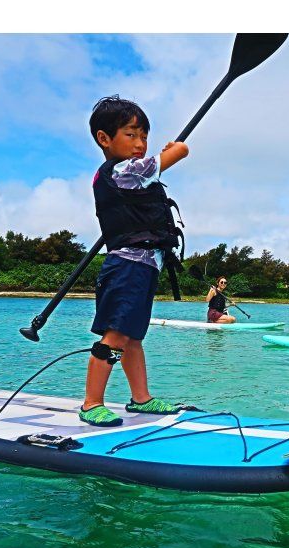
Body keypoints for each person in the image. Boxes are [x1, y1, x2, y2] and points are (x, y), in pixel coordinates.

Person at [80, 95, 189, 426]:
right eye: (131, 134)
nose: (140, 143)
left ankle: (141, 399)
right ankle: (91, 402)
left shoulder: (128, 173)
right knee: (116, 337)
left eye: (144, 136)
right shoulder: (122, 171)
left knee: (133, 338)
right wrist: (177, 150)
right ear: (104, 138)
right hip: (126, 267)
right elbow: (169, 158)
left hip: (143, 267)